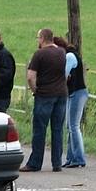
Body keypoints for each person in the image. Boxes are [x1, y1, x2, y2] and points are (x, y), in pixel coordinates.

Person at [20, 28, 67, 172]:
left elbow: (30, 76)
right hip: (61, 93)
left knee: (40, 129)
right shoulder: (61, 52)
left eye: (38, 38)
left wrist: (35, 90)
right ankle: (57, 162)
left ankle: (35, 163)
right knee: (57, 129)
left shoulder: (39, 54)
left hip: (45, 95)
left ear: (42, 38)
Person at [55, 36, 88, 168]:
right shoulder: (70, 55)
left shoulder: (69, 56)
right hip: (73, 93)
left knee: (73, 126)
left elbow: (63, 75)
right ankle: (71, 158)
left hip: (77, 93)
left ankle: (79, 158)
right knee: (70, 126)